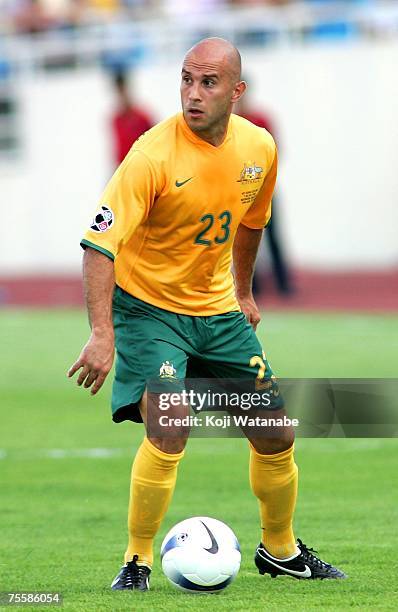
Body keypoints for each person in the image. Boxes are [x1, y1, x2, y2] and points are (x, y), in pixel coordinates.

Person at [68, 37, 346, 591]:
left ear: (236, 92)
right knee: (171, 425)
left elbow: (251, 221)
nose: (193, 94)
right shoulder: (151, 155)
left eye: (209, 82)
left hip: (218, 312)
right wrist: (102, 332)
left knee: (275, 431)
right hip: (149, 312)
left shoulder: (259, 148)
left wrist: (242, 291)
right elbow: (97, 244)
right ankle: (138, 561)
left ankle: (280, 550)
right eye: (186, 80)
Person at [235, 90, 293, 296]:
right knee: (243, 239)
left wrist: (259, 177)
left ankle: (284, 284)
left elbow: (274, 151)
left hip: (263, 190)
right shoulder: (230, 123)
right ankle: (252, 286)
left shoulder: (259, 120)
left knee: (273, 235)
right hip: (239, 193)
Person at [110, 70, 154, 166]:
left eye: (123, 90)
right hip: (125, 170)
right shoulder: (116, 120)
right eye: (119, 91)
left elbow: (158, 142)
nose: (121, 95)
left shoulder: (142, 117)